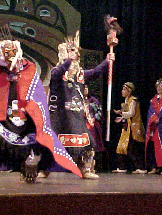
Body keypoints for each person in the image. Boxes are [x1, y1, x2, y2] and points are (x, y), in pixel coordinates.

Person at [0, 38, 81, 184]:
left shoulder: (29, 71)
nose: (9, 58)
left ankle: (30, 172)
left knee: (34, 153)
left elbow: (37, 98)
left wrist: (31, 110)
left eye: (11, 53)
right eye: (5, 54)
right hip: (4, 119)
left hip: (27, 121)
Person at [47, 31, 113, 179]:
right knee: (51, 145)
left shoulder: (80, 74)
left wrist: (107, 61)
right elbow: (58, 72)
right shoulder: (57, 72)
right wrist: (68, 61)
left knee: (88, 144)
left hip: (76, 117)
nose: (75, 59)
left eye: (76, 57)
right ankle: (44, 168)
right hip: (60, 116)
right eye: (72, 55)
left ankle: (85, 169)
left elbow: (95, 72)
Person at [113, 82, 147, 174]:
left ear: (129, 91)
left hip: (134, 127)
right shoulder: (126, 101)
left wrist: (121, 114)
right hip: (127, 127)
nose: (122, 91)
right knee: (121, 146)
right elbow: (127, 114)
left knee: (132, 147)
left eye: (124, 89)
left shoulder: (133, 100)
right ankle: (121, 167)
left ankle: (141, 167)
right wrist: (121, 118)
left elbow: (131, 113)